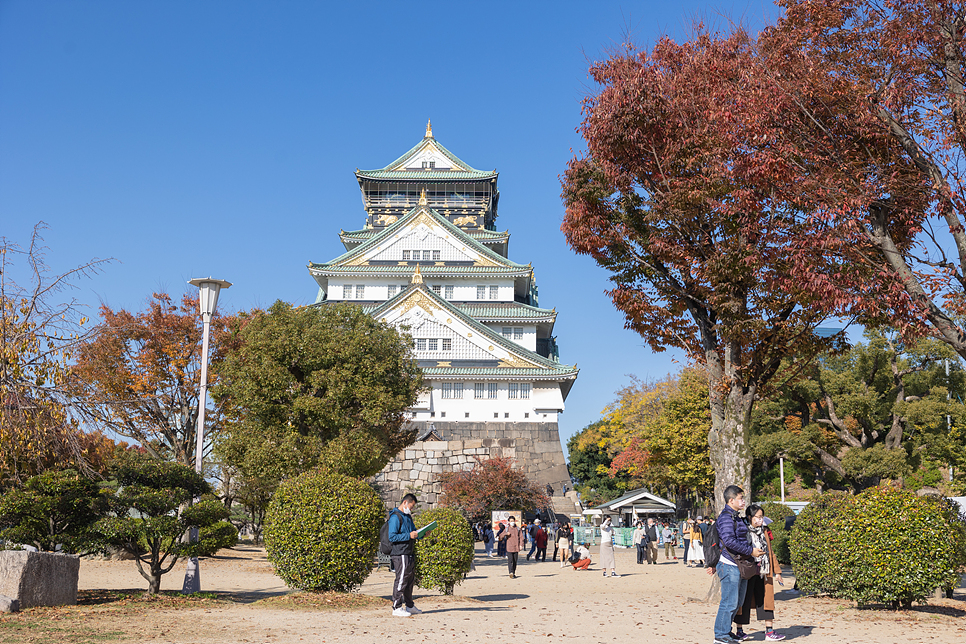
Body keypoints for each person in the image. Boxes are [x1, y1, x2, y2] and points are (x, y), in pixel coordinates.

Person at [709, 486, 764, 644]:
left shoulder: (736, 517)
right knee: (729, 601)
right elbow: (729, 541)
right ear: (731, 500)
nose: (743, 501)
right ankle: (720, 635)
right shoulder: (726, 518)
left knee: (737, 602)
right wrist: (750, 551)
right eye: (740, 498)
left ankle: (726, 630)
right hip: (729, 564)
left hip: (740, 564)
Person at [733, 505, 786, 641]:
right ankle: (739, 630)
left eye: (762, 517)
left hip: (763, 571)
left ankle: (769, 631)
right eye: (758, 517)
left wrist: (777, 571)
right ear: (750, 517)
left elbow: (770, 551)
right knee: (743, 600)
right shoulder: (742, 530)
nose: (760, 520)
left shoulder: (765, 530)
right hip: (747, 570)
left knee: (766, 600)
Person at [387, 493, 422, 617]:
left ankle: (409, 606)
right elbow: (392, 536)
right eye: (411, 507)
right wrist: (409, 536)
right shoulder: (395, 517)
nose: (411, 509)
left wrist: (421, 534)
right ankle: (396, 607)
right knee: (401, 578)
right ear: (405, 503)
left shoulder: (408, 517)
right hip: (400, 552)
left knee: (409, 579)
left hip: (409, 551)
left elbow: (414, 531)